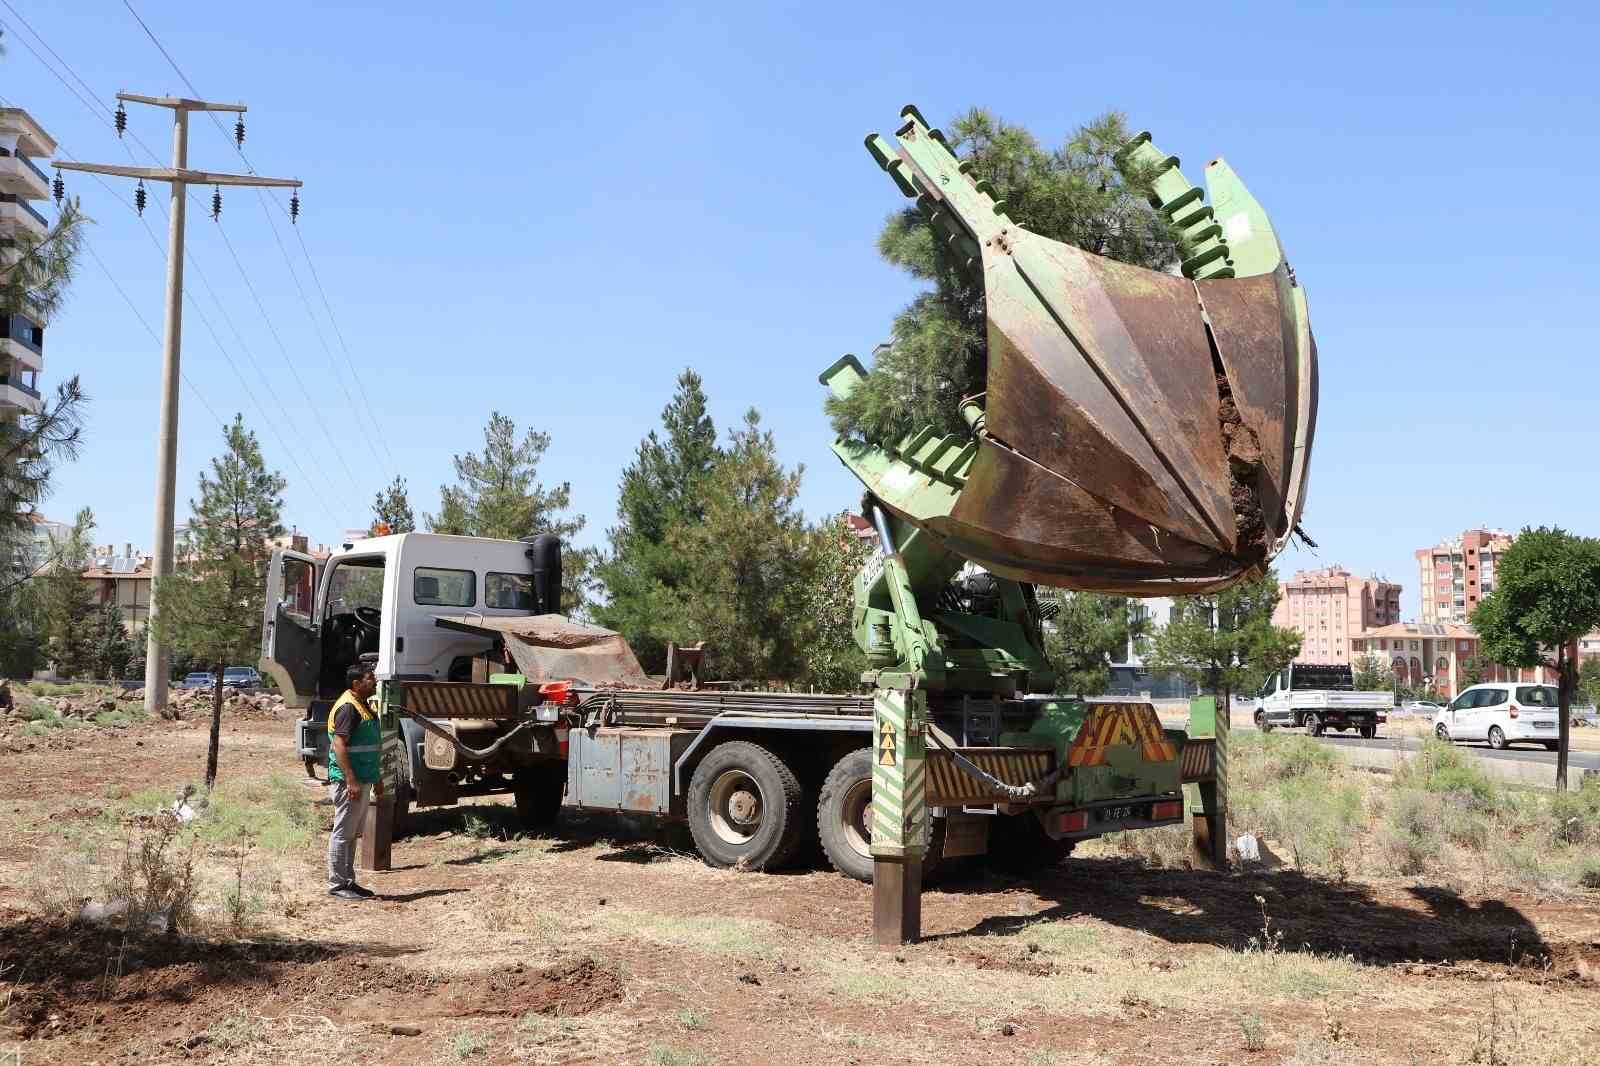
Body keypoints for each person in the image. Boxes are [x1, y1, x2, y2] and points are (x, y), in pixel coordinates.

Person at [327, 664, 382, 900]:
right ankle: (338, 885)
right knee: (342, 834)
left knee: (351, 834)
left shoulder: (362, 705)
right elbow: (339, 744)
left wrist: (376, 778)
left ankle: (348, 881)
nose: (375, 682)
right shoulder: (348, 707)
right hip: (350, 782)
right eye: (370, 678)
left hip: (362, 779)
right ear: (356, 683)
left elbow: (368, 745)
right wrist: (350, 780)